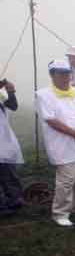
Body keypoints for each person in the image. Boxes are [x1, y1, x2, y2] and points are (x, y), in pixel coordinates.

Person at [36, 59, 75, 227]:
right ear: (52, 75)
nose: (64, 77)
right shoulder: (43, 95)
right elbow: (51, 120)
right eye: (60, 73)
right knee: (67, 178)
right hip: (62, 143)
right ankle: (60, 212)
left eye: (67, 73)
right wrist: (74, 133)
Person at [0, 77, 24, 212]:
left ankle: (15, 199)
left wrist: (11, 91)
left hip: (3, 138)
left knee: (8, 170)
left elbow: (13, 106)